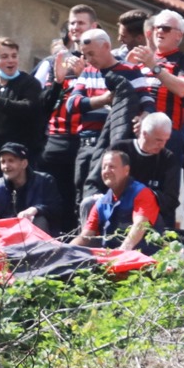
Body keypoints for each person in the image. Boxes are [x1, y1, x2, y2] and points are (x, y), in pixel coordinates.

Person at [42, 28, 154, 230]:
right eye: (85, 54)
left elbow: (147, 101)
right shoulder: (88, 72)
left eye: (91, 53)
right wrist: (104, 100)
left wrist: (143, 117)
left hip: (115, 145)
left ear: (106, 47)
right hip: (88, 142)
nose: (88, 59)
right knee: (83, 191)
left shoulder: (130, 71)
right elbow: (72, 104)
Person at [83, 112, 179, 228]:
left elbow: (171, 199)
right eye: (158, 140)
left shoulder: (168, 158)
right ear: (145, 134)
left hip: (145, 211)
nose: (162, 145)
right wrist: (96, 195)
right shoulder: (119, 149)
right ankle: (87, 241)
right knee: (89, 203)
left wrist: (144, 197)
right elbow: (92, 182)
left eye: (166, 140)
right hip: (113, 205)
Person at [128, 9, 184, 162]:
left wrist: (154, 67)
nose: (159, 31)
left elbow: (182, 88)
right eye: (156, 27)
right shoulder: (143, 58)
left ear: (179, 35)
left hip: (167, 136)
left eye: (165, 28)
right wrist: (127, 66)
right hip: (138, 131)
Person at [0, 142, 63, 235]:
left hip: (38, 237)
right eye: (3, 162)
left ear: (24, 164)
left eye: (11, 161)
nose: (6, 166)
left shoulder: (44, 180)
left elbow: (55, 208)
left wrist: (35, 209)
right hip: (6, 235)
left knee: (39, 220)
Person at [71, 149, 160, 252]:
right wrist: (64, 250)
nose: (106, 171)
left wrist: (122, 251)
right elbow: (85, 236)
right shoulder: (102, 202)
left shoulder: (142, 193)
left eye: (111, 167)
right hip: (112, 257)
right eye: (104, 167)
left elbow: (139, 226)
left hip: (142, 258)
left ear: (126, 170)